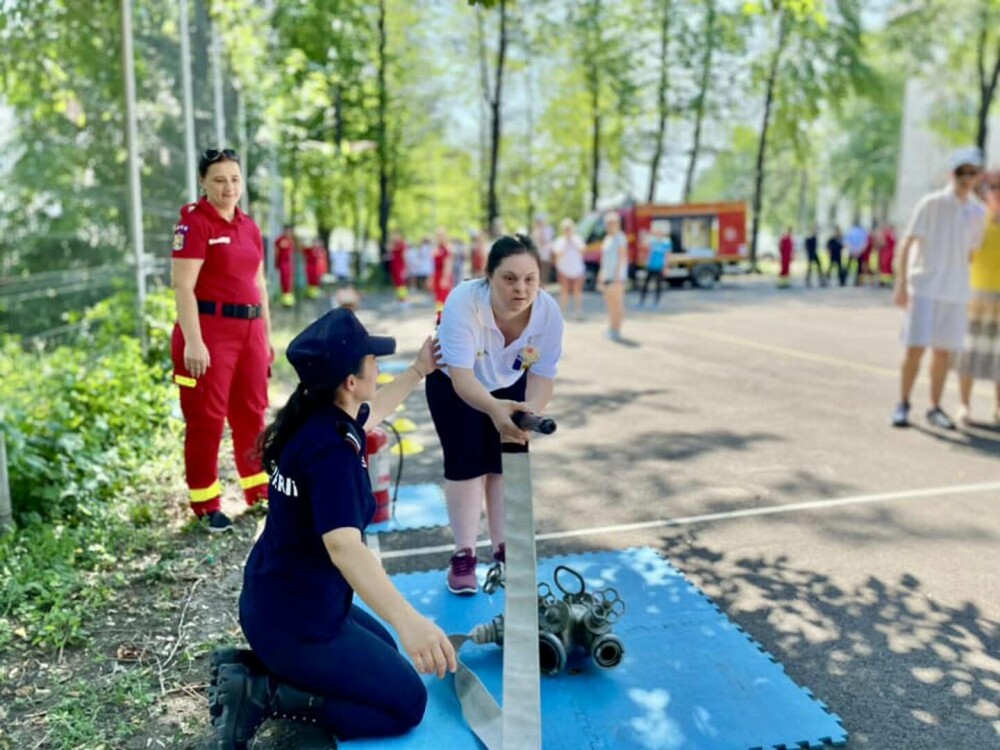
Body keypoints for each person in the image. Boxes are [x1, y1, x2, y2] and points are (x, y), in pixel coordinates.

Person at [210, 308, 456, 749]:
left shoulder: (319, 417)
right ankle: (264, 694)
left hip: (279, 602)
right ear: (350, 381)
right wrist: (410, 619)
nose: (379, 367)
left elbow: (372, 413)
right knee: (405, 703)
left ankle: (255, 667)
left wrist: (420, 369)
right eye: (372, 361)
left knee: (385, 648)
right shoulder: (332, 452)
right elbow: (344, 547)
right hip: (296, 623)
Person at [425, 234, 564, 595]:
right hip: (457, 383)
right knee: (467, 467)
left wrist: (528, 413)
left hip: (510, 383)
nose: (521, 288)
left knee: (502, 465)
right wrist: (492, 409)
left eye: (530, 279)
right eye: (509, 278)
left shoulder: (549, 313)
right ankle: (464, 555)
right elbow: (463, 378)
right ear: (488, 276)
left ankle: (505, 549)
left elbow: (543, 377)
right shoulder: (463, 302)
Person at [170, 148, 272, 531]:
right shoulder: (195, 225)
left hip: (250, 332)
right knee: (207, 418)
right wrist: (194, 341)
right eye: (219, 179)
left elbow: (259, 284)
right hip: (209, 331)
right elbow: (182, 286)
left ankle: (257, 491)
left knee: (252, 412)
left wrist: (266, 336)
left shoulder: (249, 226)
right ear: (203, 182)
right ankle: (205, 504)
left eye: (234, 178)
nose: (229, 187)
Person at [891, 147, 986, 429]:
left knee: (943, 352)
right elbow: (908, 242)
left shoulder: (977, 211)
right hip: (925, 288)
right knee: (915, 348)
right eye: (962, 172)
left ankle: (935, 406)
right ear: (951, 174)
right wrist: (901, 284)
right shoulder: (931, 203)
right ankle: (903, 403)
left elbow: (972, 252)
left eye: (972, 172)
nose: (966, 178)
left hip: (955, 291)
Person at [955, 167, 1000, 426]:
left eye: (999, 188)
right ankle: (964, 403)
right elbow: (965, 256)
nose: (996, 193)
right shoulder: (976, 219)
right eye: (991, 188)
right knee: (968, 355)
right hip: (976, 296)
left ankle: (998, 405)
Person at [598, 211, 628, 340]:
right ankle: (611, 327)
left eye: (612, 223)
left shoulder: (620, 237)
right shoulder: (607, 238)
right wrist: (601, 275)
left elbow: (622, 257)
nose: (609, 225)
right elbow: (604, 259)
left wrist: (617, 277)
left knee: (617, 304)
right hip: (606, 276)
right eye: (608, 223)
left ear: (618, 223)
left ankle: (617, 329)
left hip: (616, 278)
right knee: (610, 304)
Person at [552, 217, 586, 319]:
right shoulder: (559, 241)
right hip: (564, 270)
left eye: (569, 228)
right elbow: (557, 254)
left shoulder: (578, 239)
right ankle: (562, 312)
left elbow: (583, 251)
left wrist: (572, 241)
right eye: (565, 228)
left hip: (578, 270)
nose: (567, 230)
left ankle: (578, 311)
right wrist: (566, 243)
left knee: (578, 291)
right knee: (564, 292)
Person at [640, 225, 671, 308]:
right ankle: (642, 301)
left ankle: (656, 302)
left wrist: (666, 267)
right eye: (657, 232)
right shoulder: (652, 241)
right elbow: (647, 250)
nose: (659, 233)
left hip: (659, 266)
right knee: (645, 285)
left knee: (658, 286)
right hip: (651, 266)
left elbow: (667, 255)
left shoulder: (666, 242)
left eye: (660, 232)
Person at [431, 227, 454, 320]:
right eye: (438, 235)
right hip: (437, 275)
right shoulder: (437, 249)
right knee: (438, 299)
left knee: (444, 297)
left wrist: (445, 278)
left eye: (441, 235)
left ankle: (444, 317)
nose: (439, 237)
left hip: (444, 275)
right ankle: (439, 316)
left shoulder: (447, 248)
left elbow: (448, 264)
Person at [275, 224, 297, 308]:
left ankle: (289, 299)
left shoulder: (291, 240)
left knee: (289, 280)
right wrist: (276, 262)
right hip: (283, 262)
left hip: (289, 262)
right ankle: (285, 300)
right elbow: (277, 251)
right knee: (284, 280)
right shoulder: (281, 240)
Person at [845, 221, 869, 287]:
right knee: (859, 268)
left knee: (849, 266)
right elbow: (865, 242)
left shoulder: (850, 231)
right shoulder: (862, 232)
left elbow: (847, 241)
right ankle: (858, 282)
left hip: (852, 251)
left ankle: (845, 280)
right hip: (859, 252)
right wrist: (859, 250)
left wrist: (852, 250)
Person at [389, 230, 409, 308]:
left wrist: (405, 268)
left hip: (400, 266)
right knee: (397, 284)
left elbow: (405, 256)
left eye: (396, 235)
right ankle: (400, 299)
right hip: (394, 266)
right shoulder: (394, 244)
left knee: (402, 285)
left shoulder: (402, 244)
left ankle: (405, 300)